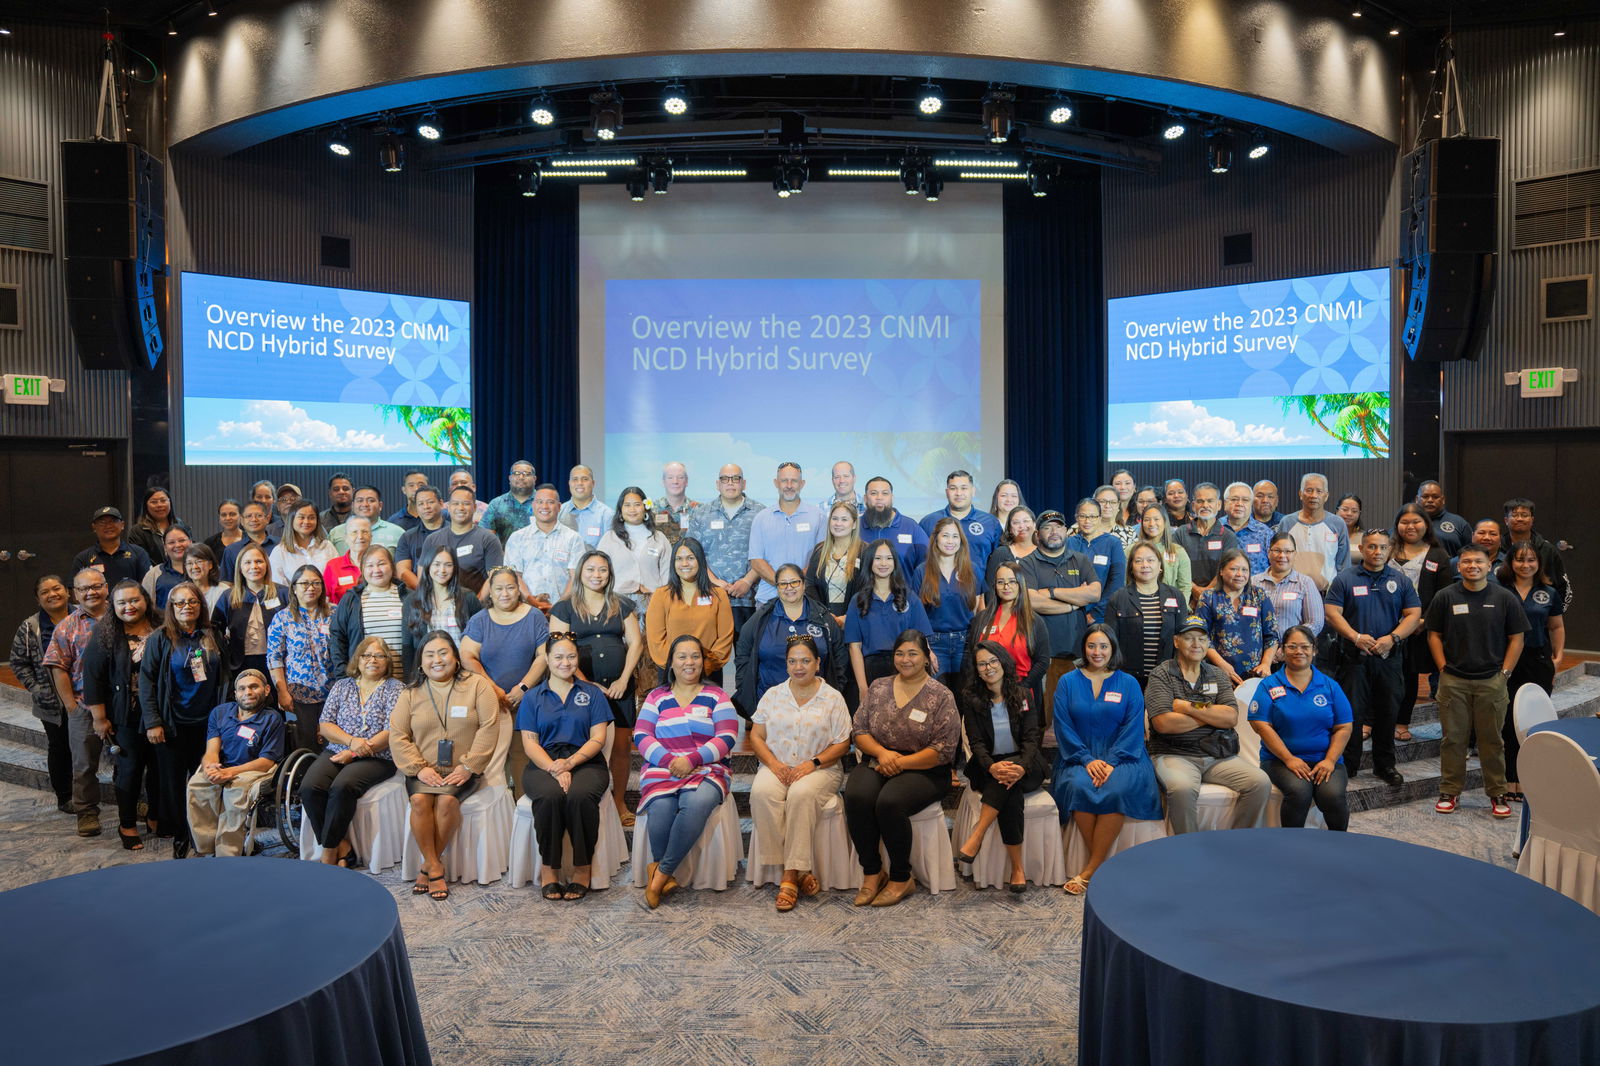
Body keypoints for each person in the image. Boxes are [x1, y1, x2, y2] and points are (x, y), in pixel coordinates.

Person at [845, 630, 960, 907]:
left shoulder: (941, 695)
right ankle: (872, 872)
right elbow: (858, 730)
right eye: (900, 653)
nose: (905, 659)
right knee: (857, 796)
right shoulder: (878, 687)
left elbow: (943, 749)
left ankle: (901, 877)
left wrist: (900, 762)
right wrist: (884, 755)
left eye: (913, 653)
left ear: (925, 658)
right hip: (878, 758)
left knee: (890, 802)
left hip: (926, 769)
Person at [389, 631, 502, 900]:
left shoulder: (477, 685)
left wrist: (469, 766)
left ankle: (427, 867)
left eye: (443, 653)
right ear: (420, 662)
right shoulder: (411, 693)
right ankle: (435, 864)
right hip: (423, 768)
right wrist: (418, 768)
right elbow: (397, 734)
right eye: (429, 654)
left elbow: (489, 727)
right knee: (419, 800)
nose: (437, 660)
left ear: (455, 657)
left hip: (463, 769)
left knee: (447, 803)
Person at [1052, 626, 1163, 893]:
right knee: (1079, 785)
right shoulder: (1067, 682)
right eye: (1092, 646)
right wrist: (1086, 759)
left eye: (1103, 646)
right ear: (1084, 649)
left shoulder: (1129, 683)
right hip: (1077, 755)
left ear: (1113, 649)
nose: (1097, 652)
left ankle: (1091, 870)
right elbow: (1062, 725)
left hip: (1125, 755)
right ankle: (1105, 868)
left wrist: (1112, 761)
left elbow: (1133, 727)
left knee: (1116, 786)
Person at [634, 634, 740, 908]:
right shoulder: (657, 697)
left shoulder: (717, 696)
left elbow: (727, 737)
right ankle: (661, 872)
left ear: (704, 663)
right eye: (682, 656)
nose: (689, 662)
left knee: (696, 802)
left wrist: (692, 759)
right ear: (671, 663)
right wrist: (671, 761)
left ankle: (660, 873)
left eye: (695, 656)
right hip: (663, 768)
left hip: (708, 768)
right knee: (660, 811)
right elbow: (642, 735)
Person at [748, 634, 852, 912]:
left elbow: (843, 742)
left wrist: (813, 764)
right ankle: (797, 869)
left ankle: (789, 876)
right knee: (761, 792)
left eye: (805, 660)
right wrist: (774, 764)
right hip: (777, 764)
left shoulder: (833, 698)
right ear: (786, 665)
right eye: (793, 661)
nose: (799, 666)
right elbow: (757, 736)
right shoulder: (773, 695)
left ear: (818, 663)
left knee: (801, 794)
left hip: (821, 768)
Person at [1425, 546, 1528, 818]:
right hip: (1453, 681)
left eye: (1478, 561)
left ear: (1489, 565)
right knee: (1453, 740)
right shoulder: (1445, 597)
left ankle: (1497, 793)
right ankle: (1449, 791)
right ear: (1459, 566)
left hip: (1491, 681)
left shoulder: (1505, 598)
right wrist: (1442, 668)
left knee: (1492, 741)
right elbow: (1433, 634)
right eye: (1467, 561)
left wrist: (1504, 674)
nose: (1472, 565)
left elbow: (1517, 638)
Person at [1145, 616, 1271, 834]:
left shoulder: (1217, 674)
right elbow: (1163, 723)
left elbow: (1231, 718)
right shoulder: (1162, 674)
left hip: (1218, 755)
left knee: (1259, 782)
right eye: (1189, 638)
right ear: (1176, 641)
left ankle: (1238, 843)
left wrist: (1186, 707)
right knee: (1182, 789)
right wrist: (1211, 714)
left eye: (1202, 639)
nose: (1196, 645)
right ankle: (1190, 851)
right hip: (1174, 754)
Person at [550, 551, 645, 826]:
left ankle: (618, 802)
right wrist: (586, 683)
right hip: (579, 687)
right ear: (580, 572)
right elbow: (559, 650)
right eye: (590, 569)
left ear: (610, 573)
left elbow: (636, 643)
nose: (596, 575)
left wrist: (624, 680)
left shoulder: (622, 604)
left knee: (622, 746)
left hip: (619, 687)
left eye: (602, 570)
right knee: (585, 742)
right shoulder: (564, 608)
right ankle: (590, 798)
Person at [517, 633, 613, 901]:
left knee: (580, 796)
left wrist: (570, 763)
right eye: (558, 657)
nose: (565, 662)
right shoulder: (533, 697)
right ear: (547, 659)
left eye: (571, 656)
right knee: (549, 797)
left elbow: (598, 738)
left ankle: (583, 869)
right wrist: (554, 769)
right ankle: (550, 870)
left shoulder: (592, 693)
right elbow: (529, 743)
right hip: (543, 762)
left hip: (586, 760)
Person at [1323, 529, 1420, 786]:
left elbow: (1413, 614)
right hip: (1354, 658)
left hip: (1389, 658)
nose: (1377, 552)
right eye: (1372, 547)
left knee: (1388, 712)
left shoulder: (1400, 580)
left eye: (1383, 547)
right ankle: (1349, 764)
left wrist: (1393, 638)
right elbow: (1332, 612)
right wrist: (1355, 636)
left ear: (1390, 550)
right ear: (1363, 549)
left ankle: (1385, 765)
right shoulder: (1346, 578)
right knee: (1351, 714)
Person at [139, 580, 227, 858]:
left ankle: (203, 835)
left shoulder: (212, 635)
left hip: (208, 726)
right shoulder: (160, 638)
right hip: (172, 726)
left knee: (205, 783)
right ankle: (180, 835)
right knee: (174, 785)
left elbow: (225, 677)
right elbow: (147, 682)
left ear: (201, 605)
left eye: (192, 601)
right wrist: (153, 721)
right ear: (171, 608)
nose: (186, 607)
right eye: (180, 603)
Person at [299, 636, 401, 867]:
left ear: (387, 661)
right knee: (309, 787)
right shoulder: (342, 685)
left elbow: (391, 731)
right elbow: (325, 725)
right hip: (338, 749)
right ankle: (341, 846)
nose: (372, 660)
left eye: (379, 655)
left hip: (379, 756)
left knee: (342, 787)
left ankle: (327, 855)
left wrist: (355, 753)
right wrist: (351, 742)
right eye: (366, 655)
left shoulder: (396, 689)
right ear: (358, 659)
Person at [955, 641, 1047, 893]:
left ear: (1004, 663)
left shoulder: (1023, 694)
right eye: (982, 664)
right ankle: (1017, 869)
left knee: (1009, 780)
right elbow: (976, 742)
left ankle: (977, 835)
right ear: (977, 669)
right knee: (1009, 790)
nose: (988, 668)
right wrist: (992, 767)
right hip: (989, 766)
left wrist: (1021, 767)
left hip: (1025, 762)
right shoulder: (971, 698)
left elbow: (1031, 738)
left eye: (993, 661)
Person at [1246, 625, 1353, 830]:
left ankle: (1341, 845)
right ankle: (1292, 846)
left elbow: (1344, 727)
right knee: (1299, 791)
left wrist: (1330, 761)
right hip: (1280, 761)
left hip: (1325, 759)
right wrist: (1289, 759)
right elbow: (1260, 725)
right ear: (1283, 651)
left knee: (1332, 796)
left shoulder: (1329, 686)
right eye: (1292, 646)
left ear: (1314, 650)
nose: (1299, 652)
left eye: (1305, 646)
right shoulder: (1269, 685)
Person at [81, 580, 160, 849]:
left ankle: (155, 814)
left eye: (134, 600)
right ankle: (126, 824)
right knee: (130, 771)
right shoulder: (105, 635)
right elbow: (92, 680)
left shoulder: (161, 628)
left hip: (159, 715)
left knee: (158, 770)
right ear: (113, 607)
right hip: (125, 717)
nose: (129, 607)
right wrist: (99, 718)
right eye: (122, 603)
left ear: (145, 601)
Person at [460, 566, 551, 798]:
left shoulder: (533, 616)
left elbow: (543, 656)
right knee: (491, 758)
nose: (505, 593)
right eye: (499, 588)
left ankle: (523, 809)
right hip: (489, 701)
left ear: (518, 589)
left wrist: (522, 688)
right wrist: (494, 689)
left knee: (522, 757)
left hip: (527, 701)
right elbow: (467, 656)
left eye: (510, 587)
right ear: (490, 591)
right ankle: (496, 815)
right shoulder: (480, 620)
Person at [185, 669, 285, 857]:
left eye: (254, 687)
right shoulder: (220, 713)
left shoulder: (272, 719)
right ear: (235, 693)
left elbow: (266, 762)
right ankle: (206, 849)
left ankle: (227, 855)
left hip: (256, 768)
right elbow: (212, 750)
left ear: (266, 690)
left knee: (236, 791)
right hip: (225, 766)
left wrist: (230, 773)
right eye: (242, 688)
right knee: (197, 785)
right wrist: (210, 767)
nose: (248, 692)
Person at [44, 568, 112, 837]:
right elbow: (58, 667)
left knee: (130, 761)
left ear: (107, 587)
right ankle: (86, 812)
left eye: (96, 586)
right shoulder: (67, 626)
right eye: (84, 588)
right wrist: (71, 706)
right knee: (84, 765)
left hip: (122, 704)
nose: (91, 592)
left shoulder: (122, 616)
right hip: (83, 706)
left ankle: (138, 803)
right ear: (75, 593)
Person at [1498, 542, 1565, 803]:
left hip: (1538, 661)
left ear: (1539, 563)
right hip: (1507, 662)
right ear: (1510, 563)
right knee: (1506, 722)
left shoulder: (1548, 592)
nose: (1526, 565)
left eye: (1531, 561)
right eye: (1520, 560)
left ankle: (1528, 778)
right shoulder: (1499, 590)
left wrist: (1558, 658)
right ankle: (1508, 778)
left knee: (1532, 722)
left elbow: (1556, 626)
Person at [736, 562, 846, 717]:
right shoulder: (761, 619)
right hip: (770, 708)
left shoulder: (823, 617)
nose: (789, 587)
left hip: (817, 708)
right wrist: (744, 688)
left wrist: (837, 690)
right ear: (777, 587)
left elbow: (839, 656)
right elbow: (743, 653)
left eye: (794, 582)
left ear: (803, 583)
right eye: (783, 584)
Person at [1020, 510, 1101, 713]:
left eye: (1058, 527)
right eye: (1047, 528)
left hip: (1077, 650)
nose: (1054, 532)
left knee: (1079, 709)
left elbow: (1094, 592)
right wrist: (1073, 604)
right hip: (1042, 652)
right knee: (1044, 712)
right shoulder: (1028, 563)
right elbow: (1031, 601)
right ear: (1037, 534)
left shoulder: (1080, 559)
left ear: (1066, 531)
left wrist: (1052, 592)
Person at [1389, 502, 1455, 742]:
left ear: (1426, 524)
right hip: (1385, 627)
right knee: (1380, 676)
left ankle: (1401, 722)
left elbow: (1444, 594)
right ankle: (1370, 722)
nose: (1410, 526)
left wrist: (1424, 621)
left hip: (1418, 629)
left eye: (1416, 521)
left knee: (1408, 676)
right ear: (1397, 525)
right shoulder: (1387, 549)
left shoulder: (1437, 554)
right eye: (1405, 522)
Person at [10, 575, 75, 813]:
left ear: (68, 592)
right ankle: (65, 796)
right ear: (38, 599)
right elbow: (18, 662)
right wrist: (37, 689)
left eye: (56, 588)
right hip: (52, 704)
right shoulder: (30, 627)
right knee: (59, 748)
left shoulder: (85, 616)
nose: (52, 594)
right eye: (45, 592)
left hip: (86, 700)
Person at [844, 539, 935, 700]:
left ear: (895, 562)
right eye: (878, 558)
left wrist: (929, 654)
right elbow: (854, 648)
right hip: (871, 671)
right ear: (869, 562)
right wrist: (863, 687)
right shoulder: (857, 601)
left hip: (905, 667)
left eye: (888, 558)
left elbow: (921, 637)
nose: (883, 563)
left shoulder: (910, 597)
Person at [685, 465, 764, 632]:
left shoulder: (761, 513)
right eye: (724, 479)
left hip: (750, 598)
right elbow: (692, 554)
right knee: (711, 655)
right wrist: (715, 582)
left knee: (747, 655)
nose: (730, 483)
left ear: (744, 483)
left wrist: (747, 581)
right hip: (710, 596)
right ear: (717, 484)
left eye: (735, 478)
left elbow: (767, 552)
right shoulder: (701, 514)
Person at [264, 563, 334, 753]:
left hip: (333, 693)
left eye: (315, 583)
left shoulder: (334, 614)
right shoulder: (282, 618)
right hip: (298, 695)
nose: (311, 588)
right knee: (304, 747)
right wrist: (282, 691)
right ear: (293, 588)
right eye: (304, 583)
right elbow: (274, 658)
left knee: (332, 747)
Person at [646, 537, 736, 681]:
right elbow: (656, 640)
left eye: (690, 558)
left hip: (709, 673)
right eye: (679, 559)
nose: (684, 564)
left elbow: (725, 637)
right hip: (671, 674)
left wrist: (704, 666)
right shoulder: (661, 595)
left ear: (700, 560)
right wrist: (677, 667)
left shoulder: (719, 595)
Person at [967, 562, 1050, 709]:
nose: (1006, 587)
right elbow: (970, 656)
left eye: (1012, 581)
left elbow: (1042, 662)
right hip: (985, 693)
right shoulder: (981, 619)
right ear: (994, 586)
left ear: (1020, 584)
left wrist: (1021, 688)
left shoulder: (1034, 621)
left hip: (1021, 692)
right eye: (1001, 582)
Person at [912, 517, 984, 687]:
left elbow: (981, 608)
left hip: (965, 643)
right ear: (936, 538)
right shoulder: (921, 571)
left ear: (961, 540)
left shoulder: (972, 569)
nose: (950, 541)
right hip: (935, 645)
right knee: (936, 700)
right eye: (945, 536)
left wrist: (979, 645)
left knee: (966, 699)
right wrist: (925, 648)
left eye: (955, 536)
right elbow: (916, 616)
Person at [1104, 543, 1186, 688]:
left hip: (1167, 677)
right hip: (1128, 678)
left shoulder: (1175, 595)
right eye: (1138, 561)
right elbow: (1110, 641)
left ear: (1160, 565)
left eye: (1150, 560)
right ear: (1131, 567)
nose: (1145, 565)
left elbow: (1182, 637)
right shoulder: (1118, 597)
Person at [327, 544, 411, 679]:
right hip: (364, 682)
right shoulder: (351, 599)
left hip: (404, 681)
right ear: (363, 570)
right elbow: (337, 638)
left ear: (392, 566)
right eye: (370, 566)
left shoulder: (408, 597)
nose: (376, 570)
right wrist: (343, 676)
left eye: (381, 564)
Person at [1197, 550, 1278, 686]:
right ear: (1221, 571)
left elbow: (1272, 635)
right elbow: (1201, 636)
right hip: (1216, 671)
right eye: (1234, 569)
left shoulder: (1259, 595)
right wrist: (1222, 665)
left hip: (1255, 674)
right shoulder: (1209, 597)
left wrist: (1265, 664)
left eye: (1244, 570)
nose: (1240, 574)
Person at [749, 462, 825, 604]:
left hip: (807, 599)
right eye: (784, 480)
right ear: (776, 483)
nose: (789, 485)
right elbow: (756, 560)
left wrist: (796, 586)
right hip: (768, 599)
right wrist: (783, 586)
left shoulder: (818, 517)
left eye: (794, 481)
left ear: (802, 484)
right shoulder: (761, 518)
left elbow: (822, 557)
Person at [504, 483, 586, 607]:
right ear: (533, 505)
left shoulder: (573, 538)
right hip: (526, 608)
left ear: (559, 507)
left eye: (550, 502)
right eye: (540, 502)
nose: (545, 506)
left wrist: (559, 606)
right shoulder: (517, 538)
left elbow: (576, 577)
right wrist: (532, 601)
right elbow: (514, 575)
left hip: (564, 609)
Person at [212, 542, 284, 681]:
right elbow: (215, 628)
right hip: (239, 663)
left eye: (259, 561)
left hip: (277, 664)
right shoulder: (229, 596)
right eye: (247, 562)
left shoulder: (283, 594)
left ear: (267, 565)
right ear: (240, 567)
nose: (254, 567)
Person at [596, 487, 672, 614]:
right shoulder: (609, 538)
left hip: (654, 602)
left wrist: (662, 599)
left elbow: (667, 573)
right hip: (617, 603)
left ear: (645, 508)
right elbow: (601, 571)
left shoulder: (659, 538)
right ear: (620, 510)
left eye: (637, 504)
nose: (632, 509)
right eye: (627, 505)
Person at [420, 486, 503, 597]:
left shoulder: (488, 539)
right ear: (448, 507)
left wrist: (476, 604)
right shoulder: (432, 539)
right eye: (455, 503)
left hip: (477, 608)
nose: (461, 508)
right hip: (439, 607)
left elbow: (494, 577)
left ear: (474, 507)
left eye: (466, 503)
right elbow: (423, 577)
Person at [1251, 534, 1325, 656]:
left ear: (1295, 554)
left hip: (1293, 655)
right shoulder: (1253, 582)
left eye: (1288, 551)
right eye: (1277, 551)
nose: (1282, 556)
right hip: (1256, 653)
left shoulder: (1305, 583)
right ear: (1269, 552)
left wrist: (1289, 647)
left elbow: (1315, 623)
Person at [1276, 473, 1349, 593]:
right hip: (1291, 592)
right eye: (1309, 490)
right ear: (1300, 494)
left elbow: (1344, 563)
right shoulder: (1287, 522)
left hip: (1328, 593)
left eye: (1319, 491)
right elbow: (1278, 558)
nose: (1314, 495)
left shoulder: (1337, 524)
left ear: (1326, 496)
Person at [921, 470, 1002, 576]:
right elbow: (921, 559)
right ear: (947, 492)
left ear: (973, 491)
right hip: (938, 589)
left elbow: (999, 561)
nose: (958, 493)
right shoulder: (929, 522)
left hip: (979, 590)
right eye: (953, 488)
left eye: (964, 488)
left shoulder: (991, 523)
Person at [805, 499, 869, 626]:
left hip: (856, 620)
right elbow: (810, 585)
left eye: (844, 519)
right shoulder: (819, 550)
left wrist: (848, 617)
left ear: (854, 524)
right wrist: (824, 615)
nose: (838, 523)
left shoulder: (865, 551)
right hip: (823, 621)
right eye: (835, 518)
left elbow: (868, 588)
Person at [406, 545, 484, 649]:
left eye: (448, 565)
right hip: (429, 664)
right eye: (436, 564)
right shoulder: (412, 600)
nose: (442, 570)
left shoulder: (468, 598)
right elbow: (407, 645)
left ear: (454, 568)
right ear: (428, 566)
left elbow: (481, 636)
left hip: (463, 664)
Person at [1173, 483, 1239, 599]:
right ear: (1193, 505)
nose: (1205, 505)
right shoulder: (1180, 533)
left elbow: (1227, 568)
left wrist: (1205, 593)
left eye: (1210, 501)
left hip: (1219, 598)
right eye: (1200, 501)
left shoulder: (1228, 536)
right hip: (1187, 598)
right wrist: (1195, 590)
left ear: (1218, 505)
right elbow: (1175, 567)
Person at [1503, 498, 1570, 610]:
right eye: (1514, 515)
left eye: (1524, 515)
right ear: (1506, 520)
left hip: (1539, 617)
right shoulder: (1497, 548)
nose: (1519, 519)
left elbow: (1565, 589)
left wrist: (1553, 615)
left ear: (1532, 519)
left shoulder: (1547, 550)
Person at [1065, 498, 1124, 623]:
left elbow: (1116, 583)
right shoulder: (1068, 543)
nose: (1087, 521)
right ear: (1076, 518)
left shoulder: (1113, 543)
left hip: (1101, 616)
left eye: (1092, 516)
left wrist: (1095, 614)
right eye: (1083, 516)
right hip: (1069, 613)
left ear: (1099, 517)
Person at [859, 476, 928, 575]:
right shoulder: (855, 526)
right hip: (862, 590)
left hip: (904, 590)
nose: (879, 497)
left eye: (885, 493)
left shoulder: (911, 527)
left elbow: (929, 564)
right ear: (865, 498)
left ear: (892, 498)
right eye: (873, 493)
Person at [74, 506, 152, 587]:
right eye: (102, 522)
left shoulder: (139, 553)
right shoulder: (83, 558)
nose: (108, 526)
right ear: (94, 527)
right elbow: (75, 590)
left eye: (113, 521)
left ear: (122, 525)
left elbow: (147, 585)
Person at [269, 500, 337, 585]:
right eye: (301, 517)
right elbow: (278, 587)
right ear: (292, 519)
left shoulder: (327, 546)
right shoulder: (279, 551)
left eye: (311, 517)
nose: (306, 522)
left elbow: (337, 576)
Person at [1137, 505, 1193, 606]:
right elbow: (1125, 582)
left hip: (1171, 608)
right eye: (1147, 520)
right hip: (1139, 606)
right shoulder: (1132, 550)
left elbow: (1185, 586)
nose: (1151, 524)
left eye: (1156, 519)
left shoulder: (1178, 551)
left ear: (1165, 521)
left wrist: (1180, 609)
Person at [395, 485, 447, 590]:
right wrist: (425, 592)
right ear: (417, 508)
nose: (426, 506)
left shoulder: (455, 532)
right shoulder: (407, 537)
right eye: (421, 504)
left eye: (430, 502)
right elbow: (403, 571)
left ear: (441, 503)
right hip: (419, 595)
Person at [330, 486, 404, 552]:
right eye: (360, 500)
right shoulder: (336, 532)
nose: (365, 504)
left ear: (380, 505)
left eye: (371, 500)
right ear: (352, 505)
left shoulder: (398, 532)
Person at [1222, 482, 1273, 575]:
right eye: (1234, 499)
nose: (1239, 504)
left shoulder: (1265, 533)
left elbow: (1274, 568)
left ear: (1251, 504)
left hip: (1256, 588)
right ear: (1225, 503)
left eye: (1245, 500)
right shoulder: (1215, 528)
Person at [220, 501, 276, 582]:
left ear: (267, 519)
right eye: (249, 516)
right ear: (242, 521)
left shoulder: (280, 545)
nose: (254, 519)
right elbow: (227, 582)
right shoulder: (231, 550)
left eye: (259, 516)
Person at [483, 460, 538, 543]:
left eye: (526, 474)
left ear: (534, 479)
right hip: (503, 555)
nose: (521, 477)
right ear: (510, 478)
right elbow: (486, 537)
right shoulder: (496, 504)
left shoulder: (544, 503)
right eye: (516, 473)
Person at [559, 465, 614, 547]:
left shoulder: (607, 515)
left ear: (593, 483)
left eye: (585, 479)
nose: (579, 483)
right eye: (575, 479)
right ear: (569, 483)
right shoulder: (559, 511)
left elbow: (611, 549)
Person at [983, 505, 1038, 588]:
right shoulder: (1000, 553)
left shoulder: (1044, 551)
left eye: (1026, 521)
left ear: (1034, 525)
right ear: (1010, 529)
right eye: (1016, 522)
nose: (1022, 526)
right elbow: (991, 586)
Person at [141, 524, 194, 610]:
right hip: (163, 623)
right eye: (171, 542)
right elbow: (145, 607)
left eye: (182, 540)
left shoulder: (201, 569)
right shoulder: (154, 574)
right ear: (165, 547)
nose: (177, 545)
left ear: (191, 542)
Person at [323, 515, 371, 605]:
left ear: (371, 537)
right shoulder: (333, 566)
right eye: (354, 532)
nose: (360, 536)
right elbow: (325, 600)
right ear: (346, 538)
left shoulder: (379, 564)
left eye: (365, 532)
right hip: (341, 617)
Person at [127, 486, 181, 564]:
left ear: (170, 502)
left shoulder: (180, 525)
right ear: (146, 506)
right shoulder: (138, 531)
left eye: (163, 500)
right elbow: (139, 560)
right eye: (154, 502)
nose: (159, 505)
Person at [651, 461, 701, 545]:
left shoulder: (700, 510)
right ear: (663, 481)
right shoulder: (651, 510)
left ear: (687, 481)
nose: (675, 481)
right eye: (670, 477)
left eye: (680, 477)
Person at [1416, 481, 1471, 557]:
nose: (1430, 500)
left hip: (1449, 568)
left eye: (1435, 497)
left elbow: (1471, 553)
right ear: (1417, 499)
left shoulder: (1459, 523)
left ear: (1443, 500)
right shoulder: (1407, 523)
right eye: (1425, 496)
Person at [183, 544, 228, 613]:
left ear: (210, 565)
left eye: (199, 561)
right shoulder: (178, 591)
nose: (195, 566)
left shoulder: (224, 591)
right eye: (189, 563)